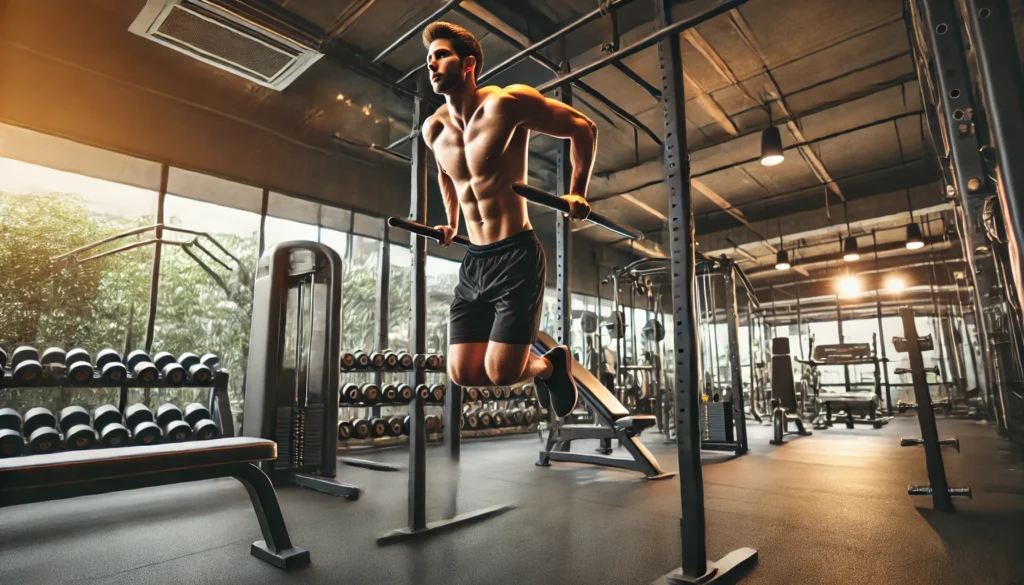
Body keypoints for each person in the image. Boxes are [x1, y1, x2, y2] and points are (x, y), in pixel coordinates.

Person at [421, 22, 597, 418]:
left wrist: (578, 191)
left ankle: (548, 364)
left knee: (502, 372)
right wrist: (451, 222)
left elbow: (583, 128)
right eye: (429, 58)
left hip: (516, 254)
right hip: (475, 263)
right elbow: (444, 174)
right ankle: (546, 365)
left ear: (468, 63)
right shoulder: (433, 129)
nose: (432, 63)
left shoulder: (506, 103)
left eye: (441, 54)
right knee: (462, 372)